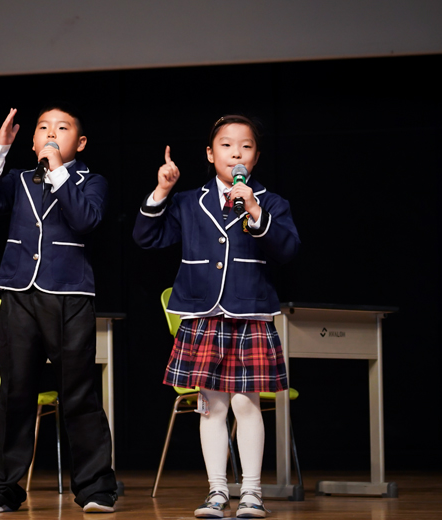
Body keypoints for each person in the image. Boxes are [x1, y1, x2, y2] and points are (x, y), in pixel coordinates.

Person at [133, 115, 300, 518]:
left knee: (246, 404)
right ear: (210, 154)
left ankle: (252, 493)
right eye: (226, 145)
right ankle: (217, 491)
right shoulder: (189, 201)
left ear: (256, 156)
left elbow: (288, 249)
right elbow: (146, 236)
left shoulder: (271, 202)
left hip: (249, 316)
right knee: (211, 406)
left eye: (245, 146)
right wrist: (162, 190)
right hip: (203, 316)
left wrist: (255, 210)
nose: (236, 153)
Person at [0, 104, 117, 513]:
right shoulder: (19, 179)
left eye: (62, 128)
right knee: (16, 390)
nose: (51, 133)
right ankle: (2, 488)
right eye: (43, 128)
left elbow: (85, 219)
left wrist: (57, 172)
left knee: (78, 392)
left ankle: (95, 487)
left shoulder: (92, 182)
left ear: (80, 142)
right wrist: (0, 148)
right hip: (19, 292)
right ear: (32, 140)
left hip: (69, 294)